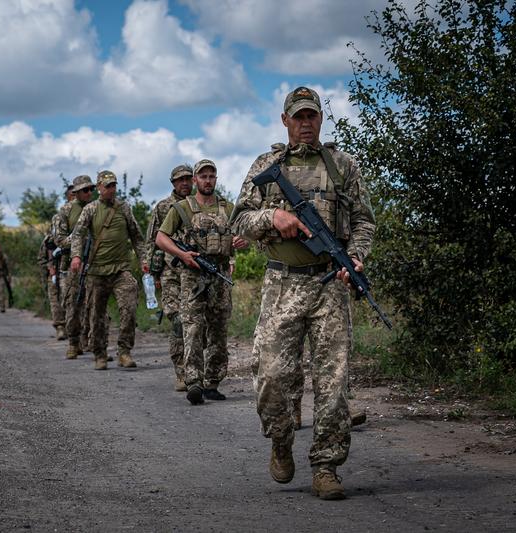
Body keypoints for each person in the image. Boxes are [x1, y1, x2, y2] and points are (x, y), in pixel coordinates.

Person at [231, 86, 376, 500]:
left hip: (330, 285)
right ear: (285, 121)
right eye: (299, 117)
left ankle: (326, 466)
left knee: (334, 382)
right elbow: (239, 221)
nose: (306, 123)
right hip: (282, 283)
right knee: (273, 376)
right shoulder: (266, 164)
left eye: (312, 115)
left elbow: (365, 222)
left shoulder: (342, 166)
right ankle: (280, 440)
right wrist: (273, 216)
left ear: (321, 119)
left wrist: (356, 258)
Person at [156, 159, 247, 404]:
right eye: (203, 176)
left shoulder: (228, 208)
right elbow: (161, 238)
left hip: (219, 275)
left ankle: (212, 382)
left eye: (211, 176)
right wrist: (181, 254)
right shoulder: (182, 209)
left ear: (216, 179)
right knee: (193, 328)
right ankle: (193, 381)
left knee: (218, 330)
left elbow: (245, 234)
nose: (208, 180)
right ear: (195, 180)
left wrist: (243, 241)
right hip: (192, 275)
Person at [69, 170, 148, 370]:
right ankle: (100, 353)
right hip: (96, 272)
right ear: (99, 188)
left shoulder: (124, 209)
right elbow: (78, 234)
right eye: (107, 186)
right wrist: (76, 256)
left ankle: (124, 352)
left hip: (121, 270)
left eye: (113, 185)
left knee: (129, 308)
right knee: (96, 315)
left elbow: (137, 237)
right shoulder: (90, 209)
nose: (111, 189)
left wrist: (143, 259)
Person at [145, 164, 194, 391]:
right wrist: (152, 272)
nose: (184, 183)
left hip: (194, 272)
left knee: (195, 322)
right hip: (169, 272)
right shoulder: (163, 207)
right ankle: (181, 372)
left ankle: (196, 370)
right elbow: (152, 240)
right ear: (173, 183)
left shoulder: (200, 204)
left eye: (187, 179)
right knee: (176, 320)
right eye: (180, 180)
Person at [55, 175, 95, 359]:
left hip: (95, 263)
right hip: (73, 265)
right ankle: (73, 342)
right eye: (85, 190)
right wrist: (78, 237)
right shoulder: (65, 212)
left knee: (95, 305)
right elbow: (59, 240)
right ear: (75, 192)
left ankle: (93, 343)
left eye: (91, 189)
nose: (89, 193)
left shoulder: (98, 208)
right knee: (73, 304)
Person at [38, 218, 67, 340]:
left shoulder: (69, 239)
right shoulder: (48, 241)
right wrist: (49, 267)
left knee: (69, 301)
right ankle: (60, 327)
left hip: (68, 274)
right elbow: (41, 260)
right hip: (53, 275)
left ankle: (73, 328)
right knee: (55, 302)